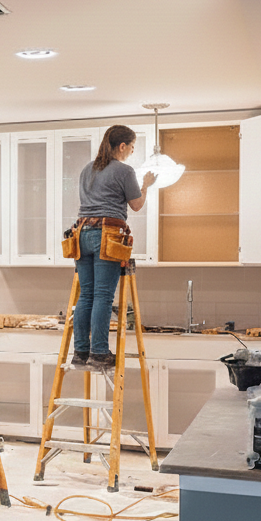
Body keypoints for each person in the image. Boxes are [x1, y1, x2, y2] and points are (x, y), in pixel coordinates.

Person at [71, 126, 157, 371]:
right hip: (107, 234)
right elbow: (137, 205)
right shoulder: (124, 170)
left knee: (86, 295)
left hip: (81, 235)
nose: (131, 152)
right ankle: (99, 352)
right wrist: (146, 184)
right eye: (131, 147)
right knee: (102, 296)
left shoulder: (87, 169)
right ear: (121, 146)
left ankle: (80, 352)